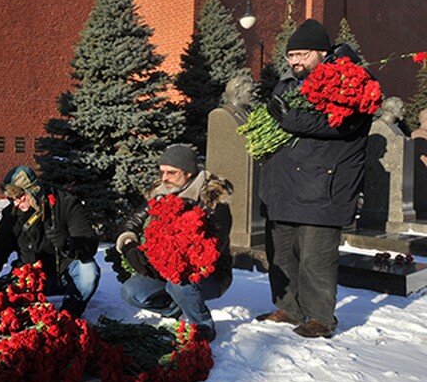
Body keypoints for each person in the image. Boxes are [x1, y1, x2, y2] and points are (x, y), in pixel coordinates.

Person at [257, 19, 372, 338]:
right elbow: (272, 114)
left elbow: (341, 124)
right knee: (281, 252)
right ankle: (287, 306)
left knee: (315, 257)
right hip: (283, 184)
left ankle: (321, 317)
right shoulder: (287, 84)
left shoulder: (352, 81)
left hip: (323, 183)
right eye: (290, 56)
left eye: (302, 55)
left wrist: (290, 118)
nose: (294, 62)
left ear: (323, 52)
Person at [115, 144, 232, 343]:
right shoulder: (161, 193)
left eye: (171, 172)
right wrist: (129, 246)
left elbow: (212, 249)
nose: (164, 178)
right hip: (166, 268)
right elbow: (132, 221)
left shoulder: (212, 200)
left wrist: (174, 263)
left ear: (188, 173)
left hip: (208, 273)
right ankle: (175, 309)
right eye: (162, 172)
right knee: (131, 292)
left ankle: (202, 325)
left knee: (178, 283)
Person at [0, 166, 100, 316]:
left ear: (34, 191)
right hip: (32, 276)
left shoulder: (66, 204)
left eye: (20, 197)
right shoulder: (12, 215)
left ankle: (68, 314)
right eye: (12, 199)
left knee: (89, 271)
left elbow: (89, 242)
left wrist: (67, 243)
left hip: (66, 273)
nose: (16, 203)